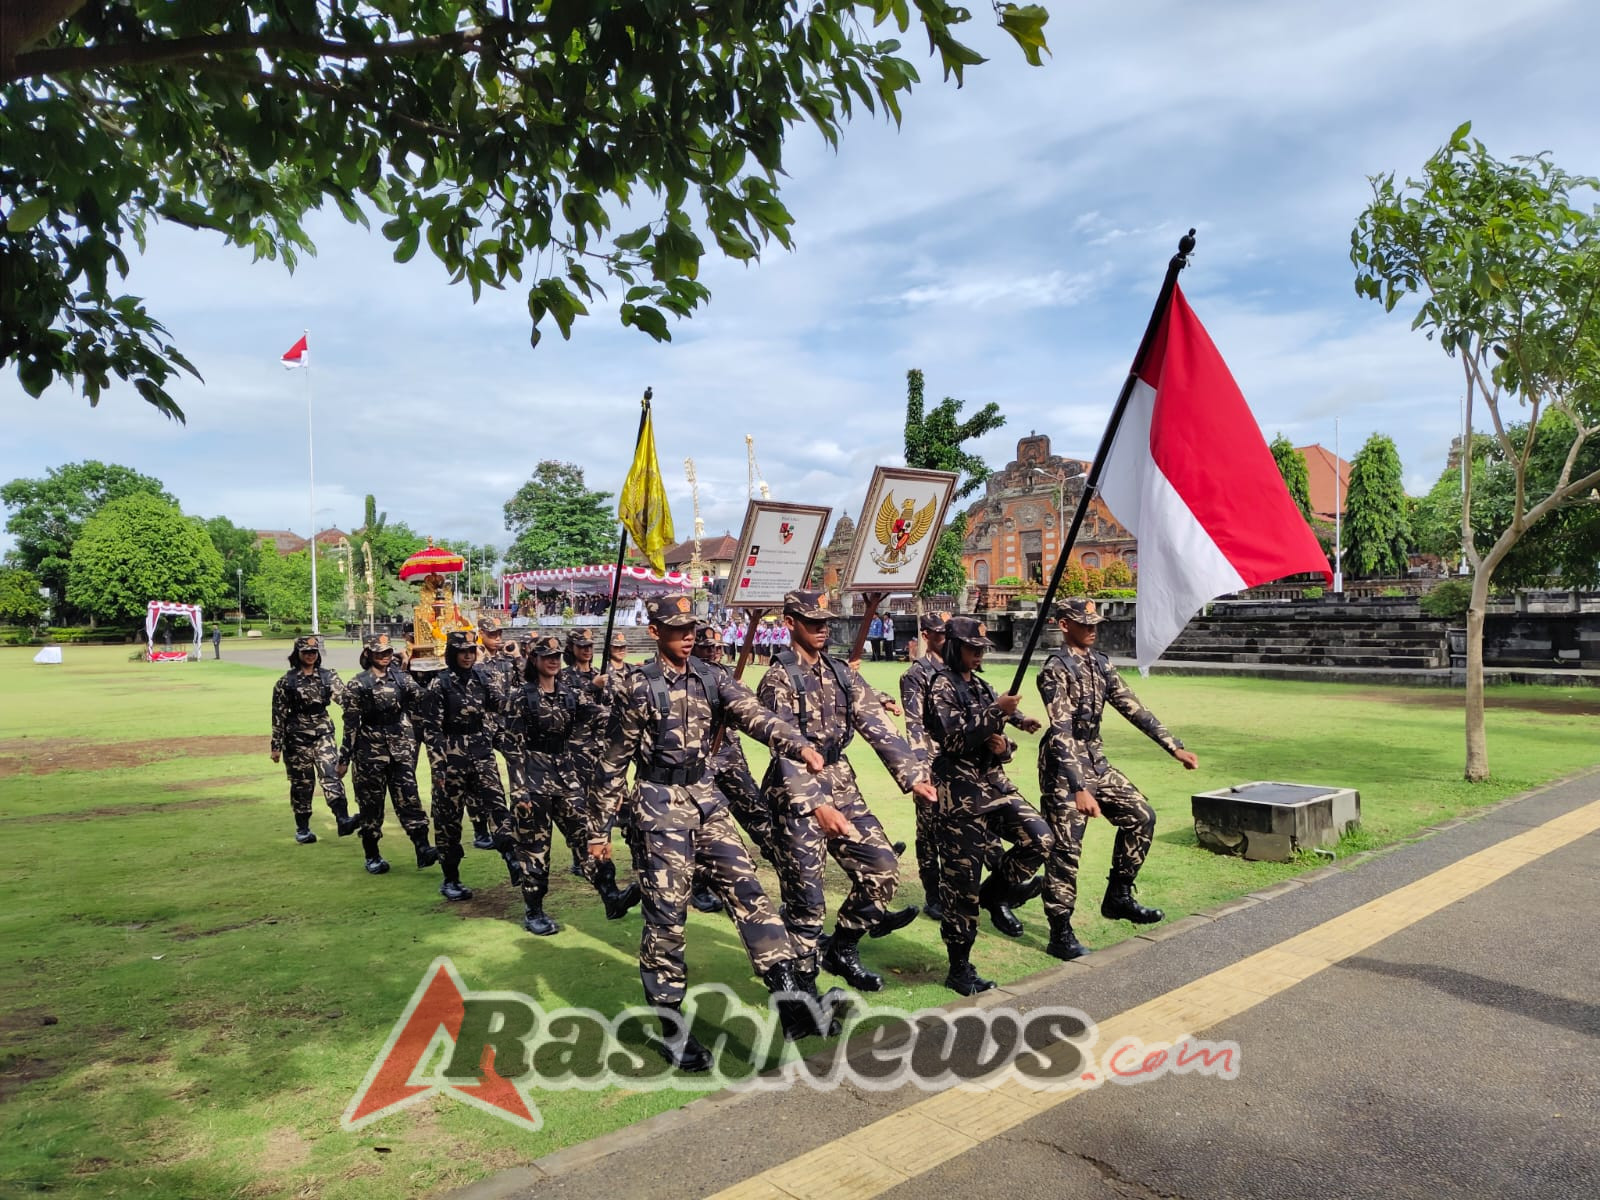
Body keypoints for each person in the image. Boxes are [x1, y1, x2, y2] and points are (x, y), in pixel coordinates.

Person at [588, 595, 840, 1070]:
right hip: (659, 811)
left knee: (751, 894)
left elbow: (755, 714)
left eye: (692, 628)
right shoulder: (638, 685)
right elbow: (612, 762)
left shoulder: (712, 677)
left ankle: (789, 996)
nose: (688, 636)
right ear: (656, 629)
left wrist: (799, 743)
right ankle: (672, 1029)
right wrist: (598, 831)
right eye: (677, 628)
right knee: (666, 922)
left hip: (707, 804)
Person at [759, 590, 936, 993]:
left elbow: (875, 723)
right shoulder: (778, 678)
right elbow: (783, 749)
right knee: (807, 901)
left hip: (841, 783)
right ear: (790, 624)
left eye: (826, 621)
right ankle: (803, 991)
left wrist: (913, 776)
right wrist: (816, 804)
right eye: (812, 622)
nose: (823, 628)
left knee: (882, 867)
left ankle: (842, 947)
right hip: (796, 796)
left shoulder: (841, 672)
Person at [1036, 597, 1199, 958]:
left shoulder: (1100, 665)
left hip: (1095, 758)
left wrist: (1173, 747)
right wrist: (1078, 788)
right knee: (1065, 849)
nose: (1092, 628)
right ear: (1064, 625)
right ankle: (1059, 933)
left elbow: (1133, 707)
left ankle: (1119, 896)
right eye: (1084, 622)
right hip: (1065, 767)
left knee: (1141, 816)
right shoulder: (1055, 670)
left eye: (1095, 622)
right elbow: (1061, 732)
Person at [923, 617, 1052, 995]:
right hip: (960, 794)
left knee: (1040, 839)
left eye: (982, 649)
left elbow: (997, 737)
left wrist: (1007, 744)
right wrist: (997, 712)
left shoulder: (980, 685)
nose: (978, 654)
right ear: (953, 647)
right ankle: (959, 967)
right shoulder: (940, 686)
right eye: (971, 648)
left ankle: (996, 896)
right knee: (961, 884)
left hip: (994, 785)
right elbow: (953, 740)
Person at [414, 630, 519, 902]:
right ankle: (451, 878)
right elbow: (432, 730)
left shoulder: (483, 678)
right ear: (452, 654)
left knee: (498, 807)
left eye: (471, 650)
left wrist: (528, 692)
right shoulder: (440, 685)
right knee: (448, 819)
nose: (468, 655)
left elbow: (501, 704)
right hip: (452, 757)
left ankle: (512, 859)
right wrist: (438, 767)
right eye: (462, 651)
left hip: (481, 752)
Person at [338, 634, 439, 874]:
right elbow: (351, 723)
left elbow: (423, 698)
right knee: (371, 804)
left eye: (387, 652)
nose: (384, 657)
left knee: (409, 797)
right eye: (379, 653)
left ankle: (423, 848)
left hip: (400, 746)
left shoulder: (401, 678)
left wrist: (432, 672)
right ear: (368, 654)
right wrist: (344, 758)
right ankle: (372, 854)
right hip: (370, 750)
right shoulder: (358, 684)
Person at [269, 635, 357, 844]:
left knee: (331, 775)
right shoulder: (286, 681)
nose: (310, 656)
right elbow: (278, 714)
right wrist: (276, 745)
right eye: (306, 652)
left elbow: (344, 699)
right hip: (296, 739)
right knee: (302, 783)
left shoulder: (328, 676)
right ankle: (303, 828)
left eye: (313, 652)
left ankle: (342, 819)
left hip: (322, 733)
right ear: (297, 654)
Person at [899, 611, 951, 922]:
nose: (946, 638)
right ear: (927, 634)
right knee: (929, 831)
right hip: (930, 761)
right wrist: (920, 769)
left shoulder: (957, 668)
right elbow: (914, 724)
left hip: (959, 760)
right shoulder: (916, 674)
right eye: (940, 633)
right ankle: (934, 895)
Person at [474, 617, 524, 852]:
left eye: (499, 634)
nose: (497, 638)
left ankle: (520, 813)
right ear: (481, 633)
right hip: (481, 724)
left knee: (518, 762)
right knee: (482, 776)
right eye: (492, 634)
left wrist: (517, 657)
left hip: (505, 723)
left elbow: (526, 683)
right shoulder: (472, 658)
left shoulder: (506, 660)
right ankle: (481, 828)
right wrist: (479, 659)